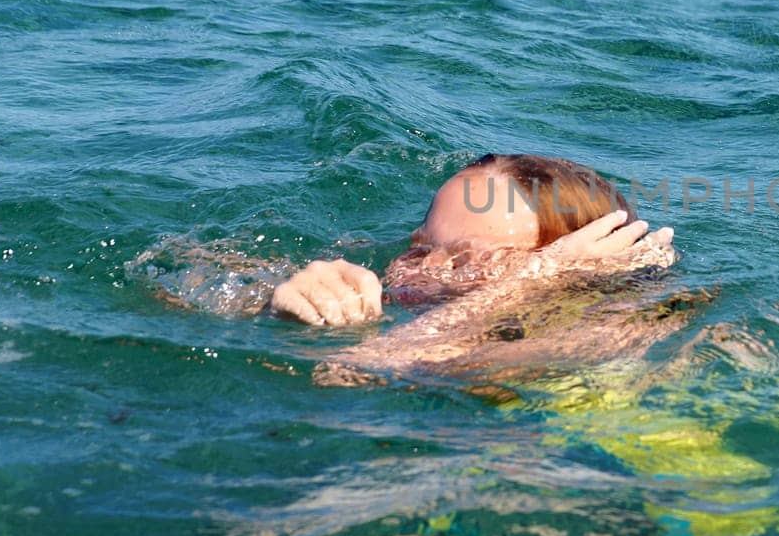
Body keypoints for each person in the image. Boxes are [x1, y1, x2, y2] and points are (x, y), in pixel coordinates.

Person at [269, 153, 679, 378]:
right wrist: (287, 305)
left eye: (467, 260)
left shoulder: (609, 338)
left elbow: (352, 369)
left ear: (580, 273)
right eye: (420, 246)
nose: (421, 270)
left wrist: (540, 276)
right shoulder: (405, 298)